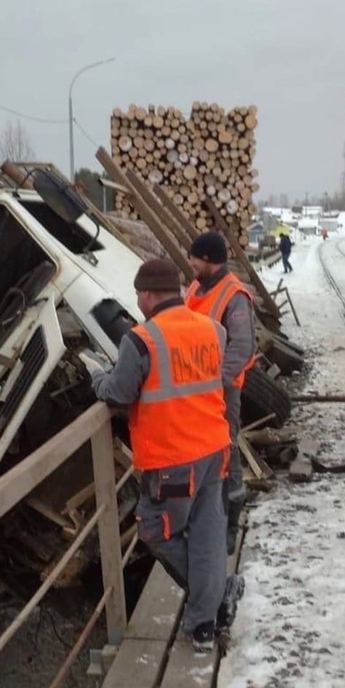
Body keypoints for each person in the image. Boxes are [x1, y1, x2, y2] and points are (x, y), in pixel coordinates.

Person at [85, 257, 242, 652]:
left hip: (172, 458)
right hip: (215, 449)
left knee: (156, 532)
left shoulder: (141, 339)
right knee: (207, 536)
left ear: (148, 294)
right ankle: (206, 619)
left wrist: (97, 377)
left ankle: (214, 597)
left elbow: (120, 393)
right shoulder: (213, 329)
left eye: (139, 293)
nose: (137, 300)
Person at [184, 232, 257, 554]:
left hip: (221, 392)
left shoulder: (234, 296)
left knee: (226, 453)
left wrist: (215, 383)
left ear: (210, 260)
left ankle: (231, 521)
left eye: (195, 258)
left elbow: (242, 348)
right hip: (191, 389)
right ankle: (203, 515)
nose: (191, 263)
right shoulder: (196, 287)